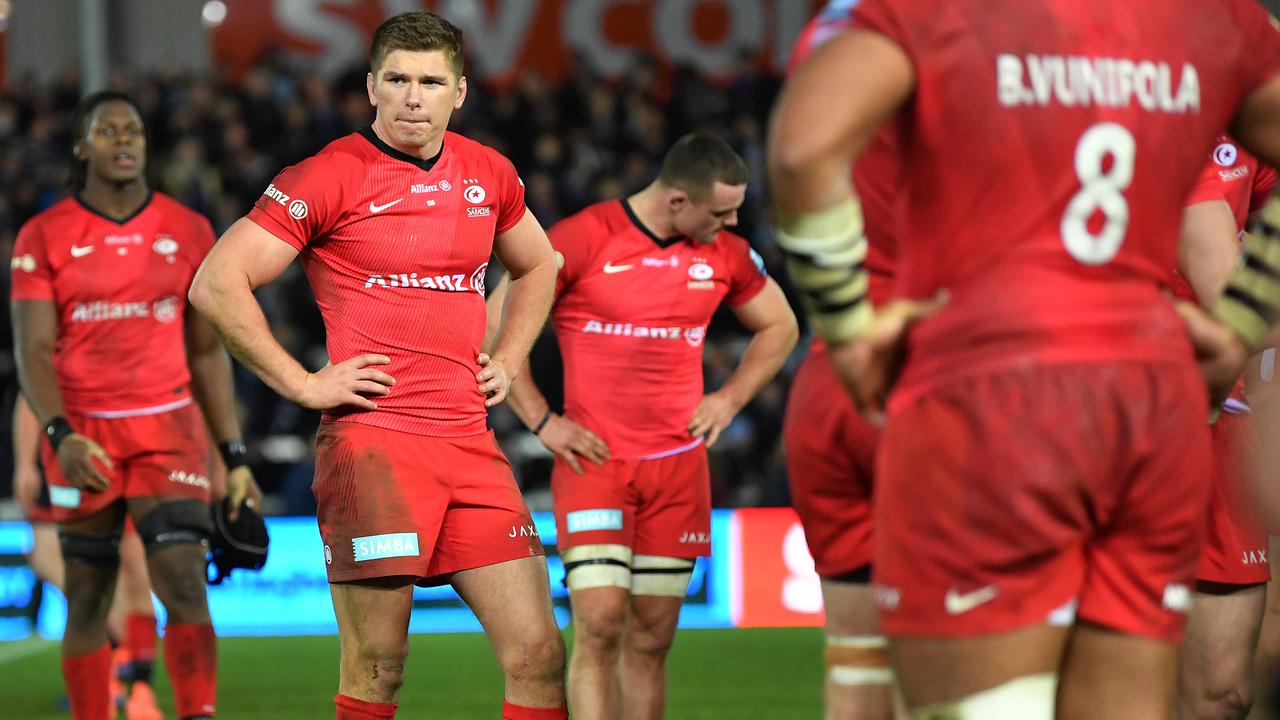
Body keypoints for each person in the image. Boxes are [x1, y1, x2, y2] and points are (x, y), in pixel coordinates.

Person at [767, 1, 1280, 717]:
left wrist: (847, 328)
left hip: (989, 391)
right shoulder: (1211, 21)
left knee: (959, 697)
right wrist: (1243, 315)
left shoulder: (916, 17)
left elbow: (799, 153)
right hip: (1147, 406)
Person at [186, 12, 566, 720]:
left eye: (429, 82)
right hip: (376, 447)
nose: (412, 98)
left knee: (539, 655)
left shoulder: (489, 173)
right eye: (396, 80)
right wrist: (303, 383)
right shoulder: (328, 175)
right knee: (378, 668)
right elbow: (215, 283)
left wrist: (508, 358)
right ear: (371, 87)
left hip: (469, 444)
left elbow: (542, 263)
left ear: (460, 91)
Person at [490, 131, 797, 719]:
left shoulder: (725, 254)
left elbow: (779, 327)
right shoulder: (585, 237)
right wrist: (542, 422)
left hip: (678, 472)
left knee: (653, 640)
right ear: (679, 201)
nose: (733, 222)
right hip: (593, 467)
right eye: (722, 211)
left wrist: (729, 400)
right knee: (600, 627)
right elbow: (494, 324)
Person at [10, 88, 261, 720]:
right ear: (81, 146)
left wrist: (233, 454)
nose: (123, 140)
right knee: (89, 595)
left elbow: (208, 354)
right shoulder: (44, 234)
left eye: (134, 131)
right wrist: (60, 434)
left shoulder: (190, 228)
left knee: (182, 580)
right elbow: (34, 352)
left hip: (167, 431)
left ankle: (195, 711)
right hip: (83, 437)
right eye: (107, 131)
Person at [781, 4, 902, 719]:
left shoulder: (832, 28)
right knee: (969, 667)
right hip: (933, 374)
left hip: (832, 375)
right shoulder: (979, 34)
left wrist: (844, 319)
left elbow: (798, 158)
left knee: (857, 661)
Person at [1174, 139, 1276, 720]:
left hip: (1223, 417)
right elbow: (1222, 287)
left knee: (1223, 693)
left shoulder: (1245, 100)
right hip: (1105, 414)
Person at [13, 395, 164, 720]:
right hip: (64, 460)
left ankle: (139, 686)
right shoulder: (53, 349)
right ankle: (112, 663)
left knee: (135, 571)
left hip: (125, 455)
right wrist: (25, 462)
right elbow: (29, 397)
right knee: (55, 563)